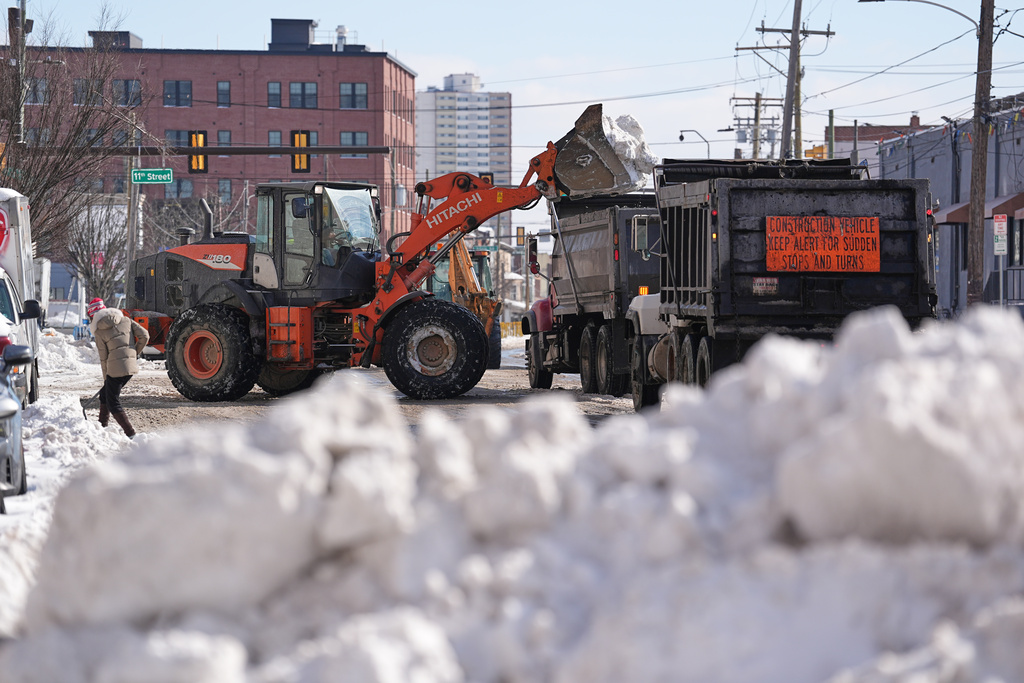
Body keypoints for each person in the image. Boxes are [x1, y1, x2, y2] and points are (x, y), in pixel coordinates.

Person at [87, 297, 149, 438]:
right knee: (105, 395)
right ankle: (102, 426)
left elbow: (104, 359)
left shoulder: (99, 332)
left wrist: (105, 379)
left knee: (113, 401)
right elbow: (145, 336)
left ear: (93, 316)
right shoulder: (125, 320)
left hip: (114, 369)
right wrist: (133, 354)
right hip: (130, 367)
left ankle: (131, 434)